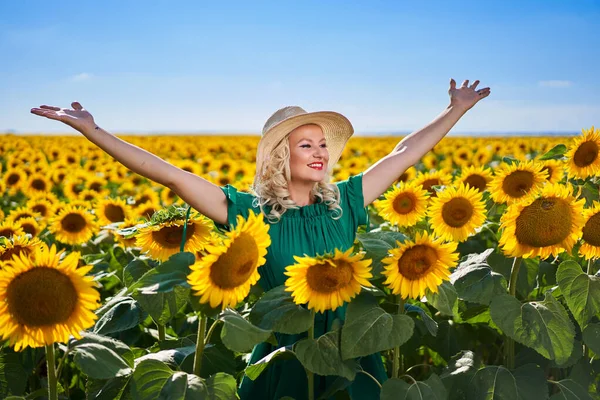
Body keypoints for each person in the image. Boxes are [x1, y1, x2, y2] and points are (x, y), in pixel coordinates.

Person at [30, 78, 491, 399]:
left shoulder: (347, 201)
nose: (319, 154)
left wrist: (454, 110)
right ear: (279, 155)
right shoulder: (249, 212)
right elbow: (168, 175)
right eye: (305, 145)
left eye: (323, 145)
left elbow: (404, 153)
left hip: (351, 353)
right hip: (283, 356)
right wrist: (93, 131)